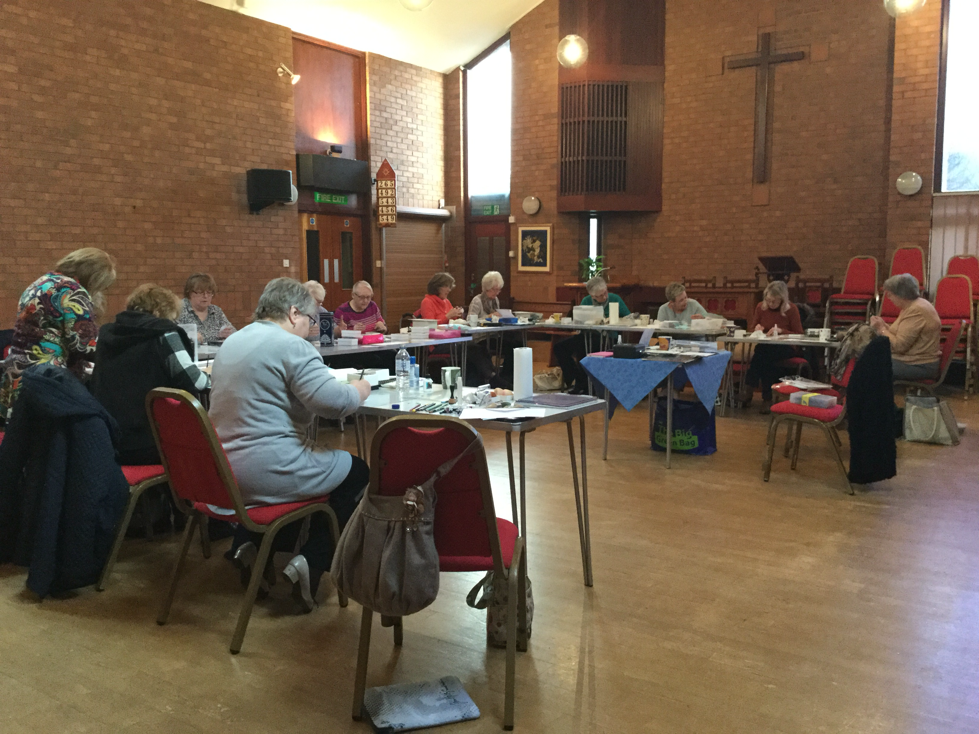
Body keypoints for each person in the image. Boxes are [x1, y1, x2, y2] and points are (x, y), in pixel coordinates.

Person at [209, 278, 371, 612]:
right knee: (357, 473)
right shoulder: (290, 345)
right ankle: (311, 562)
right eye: (310, 320)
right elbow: (336, 404)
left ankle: (252, 545)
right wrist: (361, 387)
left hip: (222, 470)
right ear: (294, 313)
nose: (310, 329)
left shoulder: (233, 341)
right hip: (268, 468)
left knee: (306, 475)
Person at [92, 284, 211, 466]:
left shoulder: (107, 334)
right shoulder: (164, 333)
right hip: (152, 442)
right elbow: (197, 382)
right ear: (164, 310)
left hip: (108, 439)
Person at [1, 247, 117, 422]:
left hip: (18, 373)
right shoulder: (73, 290)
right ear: (93, 278)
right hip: (48, 379)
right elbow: (83, 343)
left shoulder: (40, 282)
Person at [554, 276, 628, 394]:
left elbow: (628, 318)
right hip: (587, 335)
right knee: (560, 347)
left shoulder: (615, 299)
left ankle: (584, 385)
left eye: (605, 293)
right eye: (600, 296)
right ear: (592, 296)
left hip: (608, 337)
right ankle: (576, 378)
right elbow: (579, 320)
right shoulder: (586, 301)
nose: (604, 297)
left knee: (583, 349)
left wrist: (613, 320)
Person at [740, 280, 804, 411]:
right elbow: (751, 329)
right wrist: (757, 329)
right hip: (766, 346)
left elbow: (799, 333)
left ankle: (750, 391)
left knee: (762, 356)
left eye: (774, 301)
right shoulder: (760, 307)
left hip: (786, 347)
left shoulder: (791, 309)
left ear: (782, 300)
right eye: (768, 300)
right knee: (763, 355)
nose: (770, 304)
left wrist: (781, 331)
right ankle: (765, 398)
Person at [870, 273, 941, 381]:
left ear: (901, 295)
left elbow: (899, 346)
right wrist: (884, 325)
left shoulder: (916, 311)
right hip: (911, 360)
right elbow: (901, 334)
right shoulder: (913, 305)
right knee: (864, 355)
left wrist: (881, 329)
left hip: (919, 365)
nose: (888, 298)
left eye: (890, 294)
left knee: (866, 363)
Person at [468, 271, 514, 388]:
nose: (497, 293)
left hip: (493, 335)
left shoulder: (495, 300)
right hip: (480, 337)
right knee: (487, 349)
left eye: (498, 290)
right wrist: (488, 317)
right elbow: (470, 320)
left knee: (515, 345)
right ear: (486, 288)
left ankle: (507, 377)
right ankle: (498, 380)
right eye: (494, 289)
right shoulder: (477, 300)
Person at [176, 273, 235, 344]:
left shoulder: (216, 311)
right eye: (201, 292)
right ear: (189, 293)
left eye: (209, 292)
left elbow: (235, 333)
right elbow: (173, 336)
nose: (206, 296)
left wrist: (228, 333)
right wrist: (217, 335)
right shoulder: (178, 309)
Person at [301, 280, 335, 346]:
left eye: (321, 302)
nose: (320, 305)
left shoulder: (322, 311)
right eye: (318, 302)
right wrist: (304, 333)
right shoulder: (296, 313)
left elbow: (331, 334)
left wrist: (338, 330)